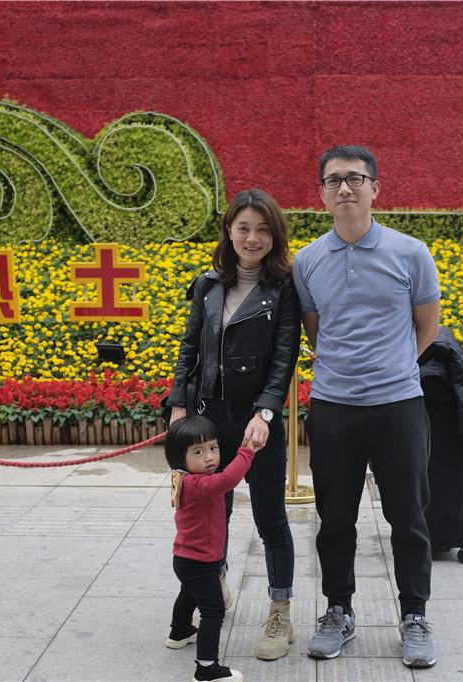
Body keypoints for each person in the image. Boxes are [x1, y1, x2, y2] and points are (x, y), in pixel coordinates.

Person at [292, 145, 441, 668]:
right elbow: (317, 333)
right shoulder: (307, 261)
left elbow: (427, 327)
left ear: (376, 188)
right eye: (333, 180)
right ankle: (338, 610)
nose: (345, 188)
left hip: (399, 405)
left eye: (355, 179)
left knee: (409, 517)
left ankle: (414, 615)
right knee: (335, 519)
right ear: (321, 194)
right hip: (334, 408)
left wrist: (392, 367)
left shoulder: (411, 253)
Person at [166, 188, 300, 660]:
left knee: (270, 519)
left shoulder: (283, 288)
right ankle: (214, 584)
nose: (252, 238)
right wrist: (178, 406)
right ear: (229, 231)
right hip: (209, 420)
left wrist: (266, 412)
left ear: (275, 235)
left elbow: (284, 358)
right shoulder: (208, 285)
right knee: (212, 513)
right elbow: (189, 349)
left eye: (262, 229)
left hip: (257, 421)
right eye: (243, 227)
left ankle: (280, 612)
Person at [164, 415, 254, 682]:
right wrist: (246, 452)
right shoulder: (197, 484)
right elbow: (227, 481)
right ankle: (206, 669)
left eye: (213, 448)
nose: (209, 457)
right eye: (198, 452)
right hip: (200, 562)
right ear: (180, 458)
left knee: (189, 594)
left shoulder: (182, 477)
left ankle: (179, 632)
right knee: (213, 611)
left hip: (186, 558)